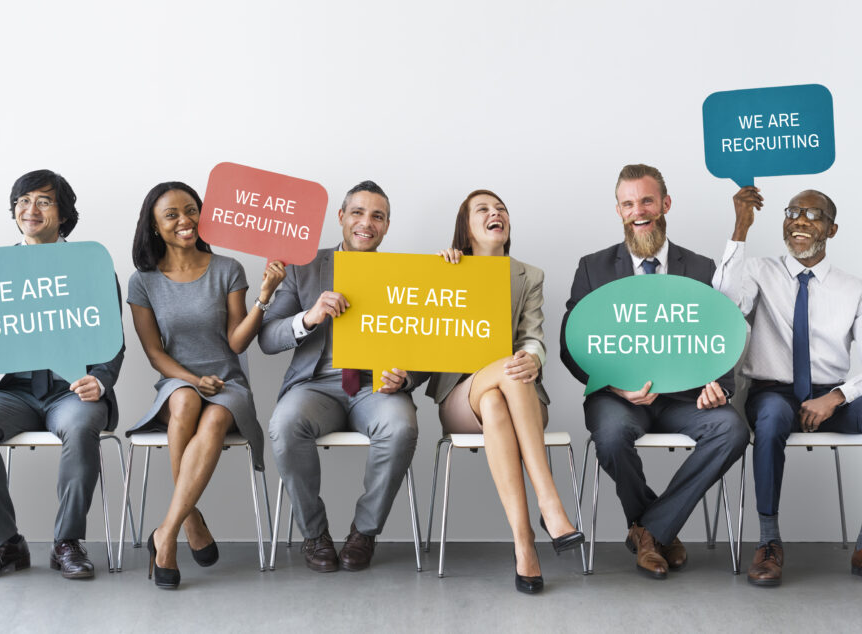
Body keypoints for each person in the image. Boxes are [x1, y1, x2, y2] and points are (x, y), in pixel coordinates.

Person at [715, 187, 862, 587]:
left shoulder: (855, 289)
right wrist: (740, 228)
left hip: (831, 396)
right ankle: (769, 543)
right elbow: (723, 306)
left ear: (832, 229)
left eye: (813, 214)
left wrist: (837, 397)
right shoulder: (757, 271)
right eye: (793, 212)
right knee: (770, 418)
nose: (800, 220)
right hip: (773, 392)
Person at [560, 163, 749, 579]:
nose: (638, 210)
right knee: (610, 436)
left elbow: (721, 335)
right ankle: (657, 530)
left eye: (647, 200)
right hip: (618, 399)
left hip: (685, 399)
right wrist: (616, 386)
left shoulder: (700, 269)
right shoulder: (593, 268)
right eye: (628, 203)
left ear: (665, 204)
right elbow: (570, 347)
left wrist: (717, 384)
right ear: (618, 210)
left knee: (732, 429)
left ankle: (650, 531)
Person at [0, 169, 125, 580]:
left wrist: (100, 381)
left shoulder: (92, 267)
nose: (30, 209)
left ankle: (67, 543)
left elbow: (114, 341)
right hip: (13, 391)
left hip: (72, 391)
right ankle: (4, 543)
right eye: (23, 200)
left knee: (82, 425)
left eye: (44, 201)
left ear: (64, 215)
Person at [127, 181, 285, 589]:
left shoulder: (228, 269)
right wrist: (195, 379)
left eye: (191, 209)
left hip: (227, 382)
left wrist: (264, 297)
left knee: (213, 421)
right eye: (172, 214)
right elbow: (154, 353)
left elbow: (236, 342)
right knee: (184, 403)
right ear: (155, 226)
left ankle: (167, 533)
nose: (185, 220)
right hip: (176, 381)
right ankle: (191, 519)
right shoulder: (142, 280)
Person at [259, 180, 423, 573]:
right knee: (284, 424)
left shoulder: (406, 272)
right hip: (316, 385)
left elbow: (427, 344)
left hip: (377, 388)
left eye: (377, 216)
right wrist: (309, 317)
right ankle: (314, 535)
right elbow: (267, 337)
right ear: (341, 217)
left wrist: (409, 376)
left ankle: (363, 533)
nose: (366, 222)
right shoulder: (305, 265)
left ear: (386, 226)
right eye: (358, 212)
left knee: (401, 427)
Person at [427, 190, 583, 594]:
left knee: (504, 388)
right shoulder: (446, 268)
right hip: (461, 397)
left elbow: (532, 338)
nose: (495, 214)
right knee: (503, 379)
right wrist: (440, 273)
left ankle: (524, 543)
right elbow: (420, 335)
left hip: (519, 398)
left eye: (501, 209)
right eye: (483, 209)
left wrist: (533, 357)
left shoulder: (529, 275)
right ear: (467, 227)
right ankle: (550, 503)